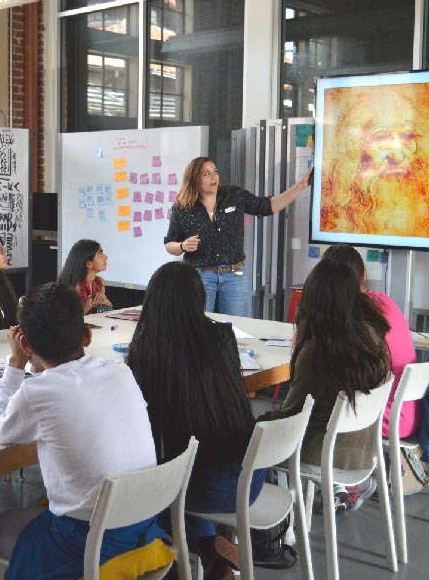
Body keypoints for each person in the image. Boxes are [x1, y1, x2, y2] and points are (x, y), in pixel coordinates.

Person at [0, 283, 168, 578]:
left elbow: (0, 430)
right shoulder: (120, 371)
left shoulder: (37, 392)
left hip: (86, 542)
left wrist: (15, 366)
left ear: (26, 345)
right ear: (87, 335)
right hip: (144, 524)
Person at [125, 261, 292, 574]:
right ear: (199, 298)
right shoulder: (222, 337)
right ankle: (210, 547)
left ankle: (201, 545)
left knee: (153, 495)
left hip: (206, 487)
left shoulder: (148, 348)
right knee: (191, 464)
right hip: (251, 477)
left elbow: (142, 421)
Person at [272, 247, 399, 477]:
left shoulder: (317, 351)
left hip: (322, 455)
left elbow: (289, 417)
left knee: (256, 440)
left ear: (314, 300)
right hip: (362, 454)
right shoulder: (372, 337)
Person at [164, 157, 313, 317]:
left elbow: (268, 206)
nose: (214, 177)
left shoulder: (233, 195)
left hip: (234, 277)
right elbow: (169, 244)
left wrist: (300, 186)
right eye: (207, 174)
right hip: (201, 277)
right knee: (198, 329)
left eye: (215, 171)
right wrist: (182, 246)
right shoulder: (183, 207)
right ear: (194, 178)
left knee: (238, 330)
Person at [57, 239, 114, 314]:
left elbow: (100, 315)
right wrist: (87, 306)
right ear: (88, 263)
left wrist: (105, 304)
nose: (106, 257)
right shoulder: (74, 286)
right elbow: (68, 320)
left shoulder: (100, 283)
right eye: (100, 254)